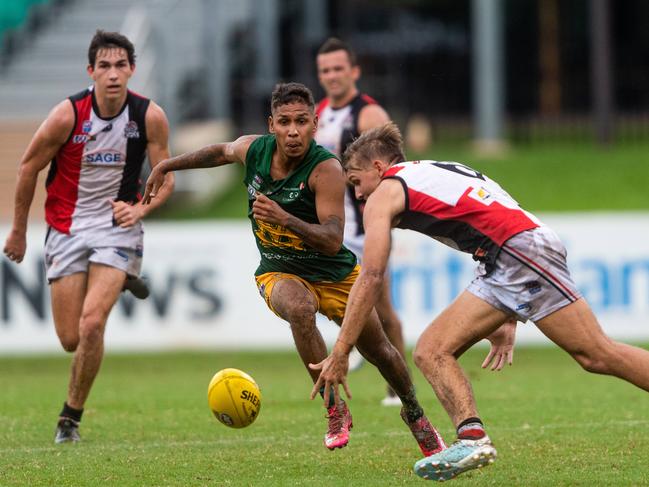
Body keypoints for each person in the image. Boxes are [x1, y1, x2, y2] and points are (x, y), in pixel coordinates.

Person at [311, 121, 649, 481]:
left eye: (356, 181)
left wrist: (342, 349)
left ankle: (472, 437)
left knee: (596, 353)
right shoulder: (432, 171)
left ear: (378, 167)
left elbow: (373, 275)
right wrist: (505, 314)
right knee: (431, 350)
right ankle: (472, 437)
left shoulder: (384, 193)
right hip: (510, 255)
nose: (358, 194)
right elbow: (493, 208)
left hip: (518, 254)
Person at [143, 82, 445, 455]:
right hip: (278, 271)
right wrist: (168, 164)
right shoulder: (254, 150)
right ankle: (335, 409)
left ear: (314, 124)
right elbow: (219, 151)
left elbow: (334, 238)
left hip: (334, 274)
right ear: (271, 124)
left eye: (301, 121)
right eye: (284, 121)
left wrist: (283, 217)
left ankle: (414, 413)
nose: (292, 131)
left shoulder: (326, 169)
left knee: (380, 349)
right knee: (300, 309)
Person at [3, 30, 175, 443]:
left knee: (93, 322)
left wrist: (141, 208)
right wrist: (20, 230)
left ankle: (70, 419)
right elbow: (28, 168)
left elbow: (165, 178)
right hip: (66, 228)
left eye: (120, 65)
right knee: (69, 338)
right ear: (91, 71)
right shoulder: (67, 115)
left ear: (132, 69)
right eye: (104, 66)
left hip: (118, 228)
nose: (113, 74)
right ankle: (121, 281)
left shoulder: (150, 116)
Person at [314, 37, 405, 406]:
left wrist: (386, 218)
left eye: (338, 68)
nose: (332, 76)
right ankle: (353, 346)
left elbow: (395, 169)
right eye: (325, 70)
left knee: (382, 308)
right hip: (333, 229)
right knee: (328, 296)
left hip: (367, 227)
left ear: (354, 71)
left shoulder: (369, 114)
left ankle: (398, 385)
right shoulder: (318, 113)